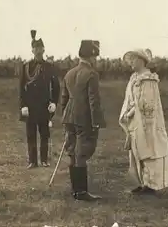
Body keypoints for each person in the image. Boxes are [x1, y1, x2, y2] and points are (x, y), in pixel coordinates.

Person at [119, 48, 168, 195]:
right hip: (134, 120)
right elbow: (130, 100)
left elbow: (146, 104)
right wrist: (128, 112)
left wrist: (132, 111)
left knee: (149, 148)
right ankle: (140, 181)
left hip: (147, 122)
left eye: (133, 60)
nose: (130, 63)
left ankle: (151, 184)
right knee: (136, 149)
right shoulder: (134, 78)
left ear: (141, 61)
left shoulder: (148, 80)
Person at [61, 40, 106, 201]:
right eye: (95, 57)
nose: (96, 60)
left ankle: (76, 190)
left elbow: (64, 99)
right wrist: (97, 122)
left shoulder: (69, 73)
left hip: (69, 117)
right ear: (91, 56)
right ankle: (81, 192)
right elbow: (94, 101)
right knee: (81, 153)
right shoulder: (92, 74)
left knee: (72, 152)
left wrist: (64, 116)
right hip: (84, 118)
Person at [19, 30, 60, 169]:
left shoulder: (49, 67)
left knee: (44, 134)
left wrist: (54, 102)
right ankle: (32, 161)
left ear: (44, 50)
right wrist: (23, 105)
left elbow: (56, 87)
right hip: (30, 106)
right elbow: (21, 88)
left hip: (44, 105)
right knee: (31, 134)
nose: (38, 51)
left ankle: (44, 160)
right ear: (32, 50)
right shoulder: (26, 67)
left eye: (40, 48)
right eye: (35, 48)